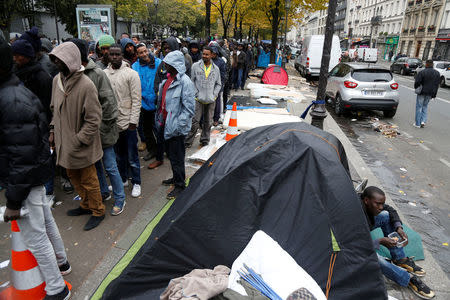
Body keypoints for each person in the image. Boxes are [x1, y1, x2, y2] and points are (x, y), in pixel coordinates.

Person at [0, 36, 71, 300]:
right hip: (35, 173)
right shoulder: (16, 90)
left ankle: (56, 288)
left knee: (35, 236)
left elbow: (21, 154)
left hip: (26, 178)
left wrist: (13, 201)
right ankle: (61, 263)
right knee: (46, 222)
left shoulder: (11, 99)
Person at [49, 42, 105, 231]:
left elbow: (94, 119)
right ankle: (86, 205)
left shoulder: (86, 85)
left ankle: (98, 210)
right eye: (55, 60)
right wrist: (52, 131)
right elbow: (53, 109)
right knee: (72, 175)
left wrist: (79, 139)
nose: (57, 63)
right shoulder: (57, 81)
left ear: (70, 60)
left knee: (89, 179)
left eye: (60, 60)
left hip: (82, 145)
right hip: (63, 142)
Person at [71, 39, 126, 216]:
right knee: (95, 167)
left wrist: (98, 128)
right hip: (87, 133)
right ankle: (103, 193)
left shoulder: (97, 74)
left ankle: (120, 198)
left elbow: (109, 105)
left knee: (110, 166)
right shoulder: (72, 73)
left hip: (102, 132)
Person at [361, 187, 435, 299]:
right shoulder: (353, 215)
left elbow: (390, 210)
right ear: (366, 201)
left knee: (386, 215)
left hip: (364, 227)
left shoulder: (372, 204)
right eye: (378, 204)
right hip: (353, 242)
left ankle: (400, 259)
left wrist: (398, 227)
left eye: (382, 203)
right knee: (375, 258)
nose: (381, 207)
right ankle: (408, 278)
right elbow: (353, 245)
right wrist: (379, 241)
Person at [155, 50, 195, 199]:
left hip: (176, 128)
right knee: (172, 156)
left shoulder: (185, 82)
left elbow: (189, 109)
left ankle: (179, 185)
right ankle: (175, 177)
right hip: (166, 125)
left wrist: (178, 126)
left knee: (177, 157)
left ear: (176, 65)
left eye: (168, 64)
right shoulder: (167, 80)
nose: (165, 66)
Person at [104, 44, 142, 198]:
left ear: (122, 55)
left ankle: (137, 182)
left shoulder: (131, 74)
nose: (114, 57)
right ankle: (123, 179)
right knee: (118, 155)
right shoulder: (104, 74)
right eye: (111, 54)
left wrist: (133, 121)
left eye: (117, 54)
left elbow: (136, 99)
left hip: (128, 122)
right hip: (112, 124)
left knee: (132, 156)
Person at [149, 36, 188, 169]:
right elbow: (157, 83)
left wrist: (179, 125)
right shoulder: (165, 71)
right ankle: (163, 162)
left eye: (168, 48)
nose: (166, 51)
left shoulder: (184, 79)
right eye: (164, 48)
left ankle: (179, 182)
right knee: (163, 142)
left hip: (175, 120)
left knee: (177, 152)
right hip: (164, 117)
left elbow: (188, 108)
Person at [185, 46, 222, 148]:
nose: (205, 56)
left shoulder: (216, 69)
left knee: (208, 122)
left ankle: (205, 140)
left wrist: (214, 95)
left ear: (211, 55)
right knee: (195, 122)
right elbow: (191, 81)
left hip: (211, 100)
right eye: (203, 54)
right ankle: (188, 141)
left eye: (207, 54)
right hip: (198, 99)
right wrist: (195, 93)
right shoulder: (195, 66)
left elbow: (218, 84)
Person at [132, 43, 162, 165]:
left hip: (157, 101)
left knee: (159, 129)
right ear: (137, 54)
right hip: (143, 103)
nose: (144, 54)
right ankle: (152, 150)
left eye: (145, 51)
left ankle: (162, 151)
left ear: (148, 50)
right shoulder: (135, 67)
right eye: (141, 52)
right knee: (146, 129)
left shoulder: (159, 62)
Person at [414, 59, 440, 128]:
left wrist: (416, 88)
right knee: (425, 107)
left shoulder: (422, 72)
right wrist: (434, 95)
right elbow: (436, 85)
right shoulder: (437, 73)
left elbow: (417, 82)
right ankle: (423, 121)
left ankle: (417, 123)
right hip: (430, 93)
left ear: (426, 64)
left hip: (422, 92)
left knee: (419, 107)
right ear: (432, 64)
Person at [210, 46, 227, 126]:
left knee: (217, 102)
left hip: (217, 84)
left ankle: (216, 118)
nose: (212, 55)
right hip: (208, 84)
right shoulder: (207, 61)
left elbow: (223, 74)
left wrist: (221, 84)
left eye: (214, 54)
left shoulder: (221, 62)